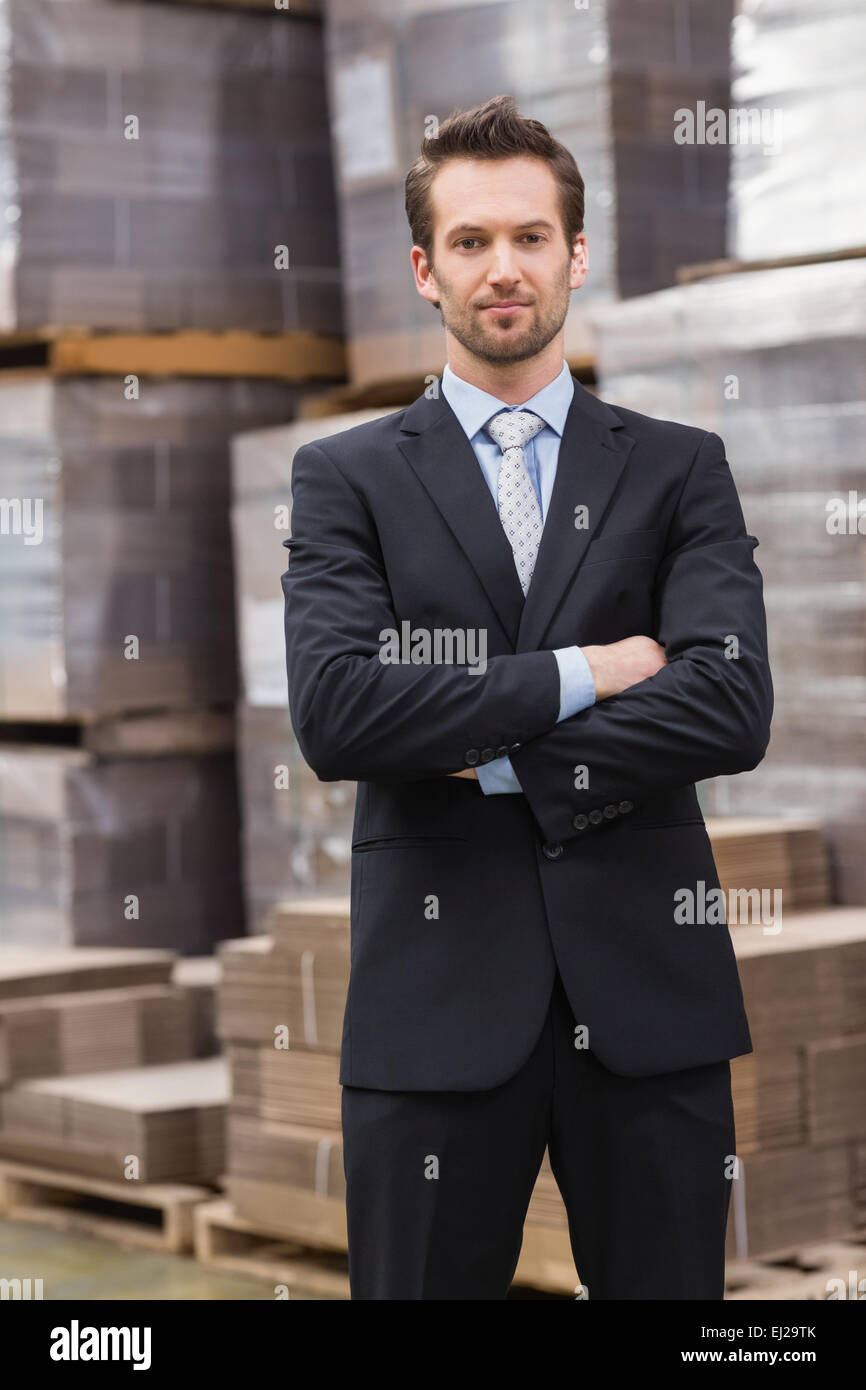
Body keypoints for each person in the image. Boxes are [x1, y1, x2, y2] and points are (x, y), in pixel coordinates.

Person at [281, 94, 773, 1300]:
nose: (501, 269)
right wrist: (582, 674)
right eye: (468, 242)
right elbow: (341, 712)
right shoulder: (344, 476)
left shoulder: (674, 468)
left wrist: (492, 747)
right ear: (422, 268)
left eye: (528, 238)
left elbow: (729, 702)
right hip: (434, 1016)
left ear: (575, 254)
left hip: (649, 1004)